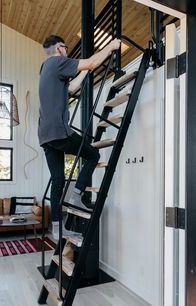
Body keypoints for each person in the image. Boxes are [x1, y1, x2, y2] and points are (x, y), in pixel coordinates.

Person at [38, 34, 121, 238]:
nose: (67, 52)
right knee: (93, 155)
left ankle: (57, 229)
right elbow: (92, 61)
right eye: (65, 48)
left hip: (45, 136)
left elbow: (73, 87)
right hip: (58, 131)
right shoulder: (58, 62)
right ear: (59, 48)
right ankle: (77, 195)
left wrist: (87, 69)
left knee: (58, 180)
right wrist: (110, 46)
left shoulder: (46, 69)